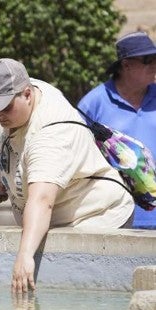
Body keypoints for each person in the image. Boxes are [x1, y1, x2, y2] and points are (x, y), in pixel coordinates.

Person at [0, 58, 135, 293]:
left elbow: (42, 200)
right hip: (60, 215)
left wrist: (24, 256)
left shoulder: (52, 133)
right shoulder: (19, 102)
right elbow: (26, 158)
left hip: (96, 218)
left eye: (5, 106)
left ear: (27, 94)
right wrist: (9, 183)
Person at [78, 31, 156, 229]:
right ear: (126, 64)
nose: (155, 64)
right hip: (117, 217)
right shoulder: (93, 104)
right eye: (148, 59)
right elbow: (75, 154)